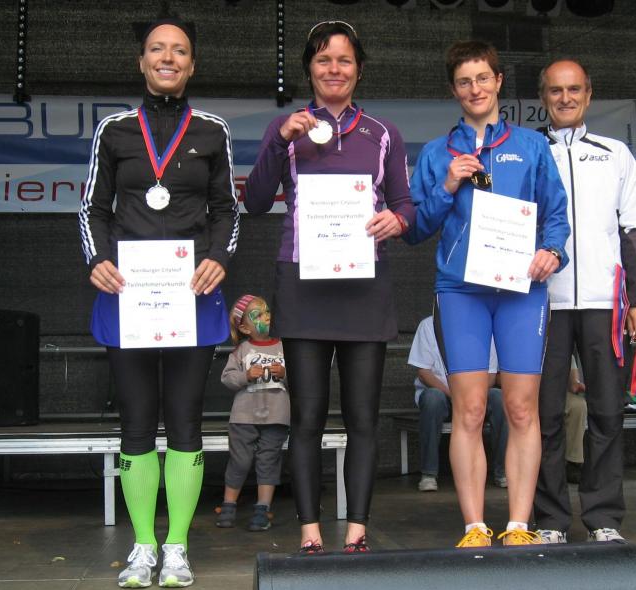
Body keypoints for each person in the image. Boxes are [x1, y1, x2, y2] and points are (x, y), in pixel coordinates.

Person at [78, 16, 240, 588]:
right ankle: (143, 545)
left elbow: (227, 209)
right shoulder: (115, 130)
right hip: (128, 298)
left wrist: (218, 257)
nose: (168, 58)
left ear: (192, 65)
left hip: (191, 296)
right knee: (137, 422)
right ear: (142, 62)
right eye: (157, 49)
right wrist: (97, 259)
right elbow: (93, 208)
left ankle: (178, 547)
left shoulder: (212, 131)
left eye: (179, 51)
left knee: (187, 421)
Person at [244, 21, 415, 554]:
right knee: (308, 417)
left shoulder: (383, 132)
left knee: (363, 416)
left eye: (344, 60)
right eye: (323, 60)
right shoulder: (286, 129)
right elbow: (255, 201)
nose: (334, 69)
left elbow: (405, 204)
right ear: (309, 69)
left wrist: (397, 221)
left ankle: (358, 531)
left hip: (364, 285)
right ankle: (310, 533)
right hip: (303, 285)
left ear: (358, 69)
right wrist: (281, 140)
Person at [408, 41, 570, 547]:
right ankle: (475, 526)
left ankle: (519, 525)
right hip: (461, 292)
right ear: (453, 90)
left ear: (499, 81)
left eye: (483, 78)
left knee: (521, 409)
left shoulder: (533, 146)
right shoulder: (437, 153)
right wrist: (447, 187)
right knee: (471, 410)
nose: (474, 88)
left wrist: (552, 252)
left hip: (522, 290)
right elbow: (416, 228)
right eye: (464, 81)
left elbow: (557, 215)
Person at [534, 59, 636, 544]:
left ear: (588, 94)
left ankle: (604, 517)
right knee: (543, 416)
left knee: (606, 411)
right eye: (556, 90)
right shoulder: (529, 152)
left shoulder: (615, 154)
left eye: (574, 90)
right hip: (542, 302)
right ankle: (549, 519)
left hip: (605, 302)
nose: (565, 98)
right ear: (543, 96)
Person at [408, 316, 508, 491]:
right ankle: (429, 474)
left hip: (475, 395)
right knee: (432, 399)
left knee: (499, 398)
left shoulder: (485, 325)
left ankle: (502, 472)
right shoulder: (428, 325)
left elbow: (491, 376)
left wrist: (471, 396)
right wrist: (454, 395)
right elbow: (424, 372)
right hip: (442, 393)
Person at [216, 295, 289, 532]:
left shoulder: (284, 347)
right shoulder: (242, 350)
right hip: (243, 418)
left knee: (268, 461)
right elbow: (227, 378)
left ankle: (262, 509)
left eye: (267, 311)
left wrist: (285, 373)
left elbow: (301, 379)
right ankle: (229, 505)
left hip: (276, 416)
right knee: (240, 460)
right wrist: (246, 376)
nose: (266, 317)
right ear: (245, 328)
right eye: (257, 315)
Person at [564, 363, 587, 485]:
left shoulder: (566, 354)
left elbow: (574, 385)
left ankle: (573, 461)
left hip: (558, 394)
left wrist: (580, 385)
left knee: (578, 405)